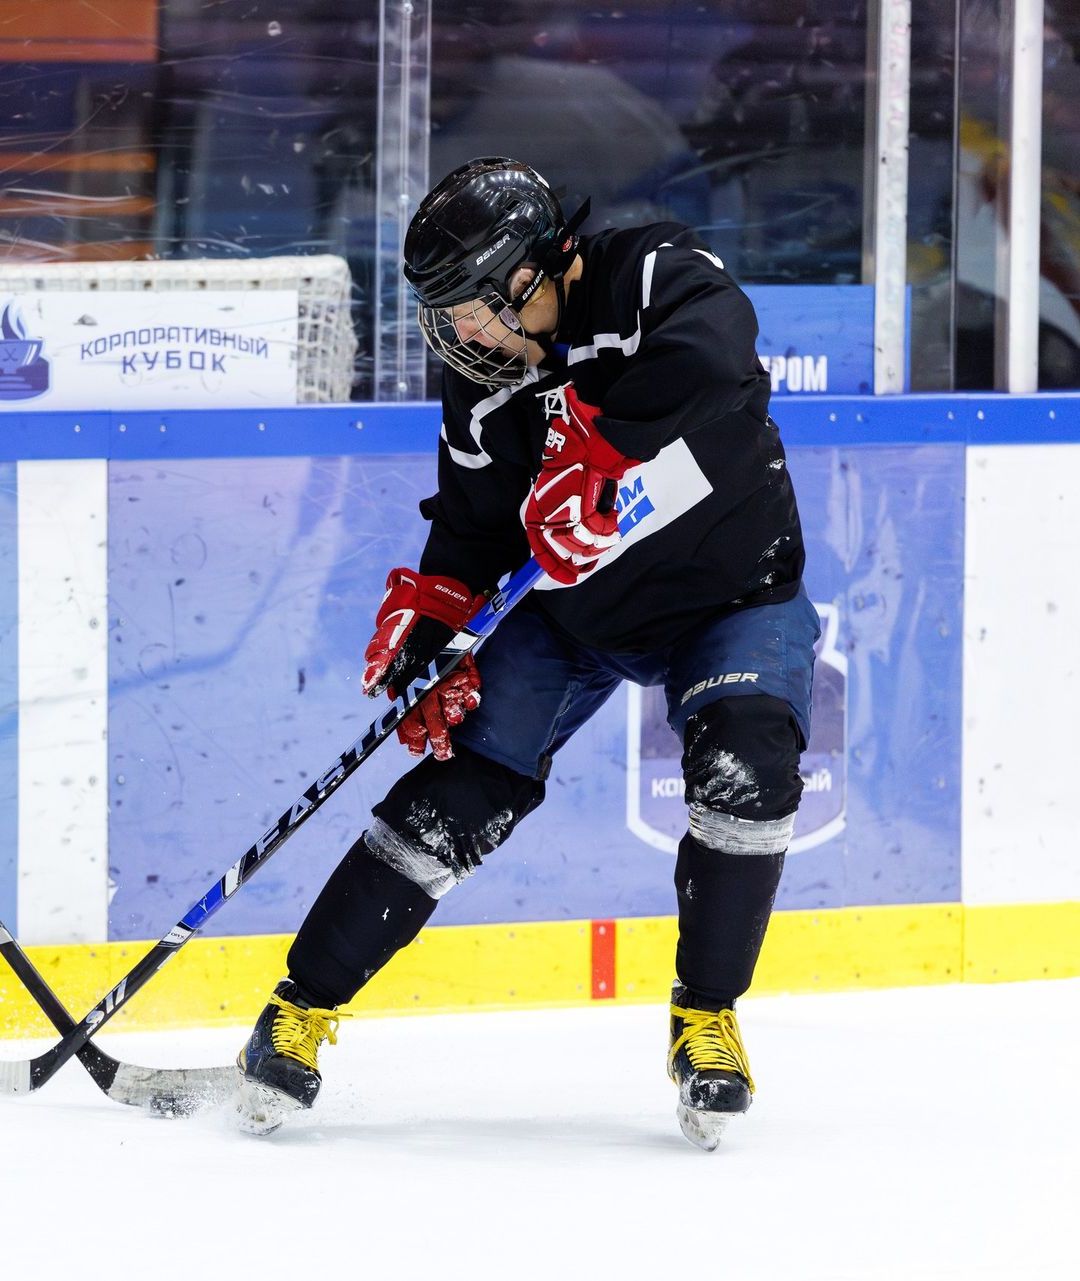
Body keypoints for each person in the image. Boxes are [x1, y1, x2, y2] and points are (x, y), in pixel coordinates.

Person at [234, 158, 815, 1151]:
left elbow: (721, 355)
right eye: (447, 314)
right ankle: (298, 1009)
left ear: (529, 275)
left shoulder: (649, 275)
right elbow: (471, 530)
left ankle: (706, 1016)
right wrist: (436, 624)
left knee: (749, 763)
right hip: (573, 617)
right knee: (462, 787)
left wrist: (611, 448)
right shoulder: (481, 383)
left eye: (471, 307)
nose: (462, 333)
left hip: (730, 590)